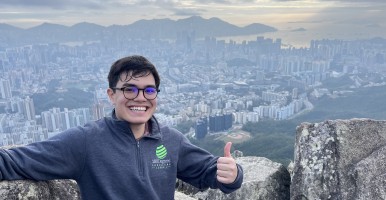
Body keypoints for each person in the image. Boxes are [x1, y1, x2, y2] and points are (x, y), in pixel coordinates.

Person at [0, 55, 243, 200]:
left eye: (149, 90)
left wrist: (233, 174)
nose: (140, 98)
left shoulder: (171, 140)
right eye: (129, 89)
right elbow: (15, 161)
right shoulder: (86, 142)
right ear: (111, 94)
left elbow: (209, 172)